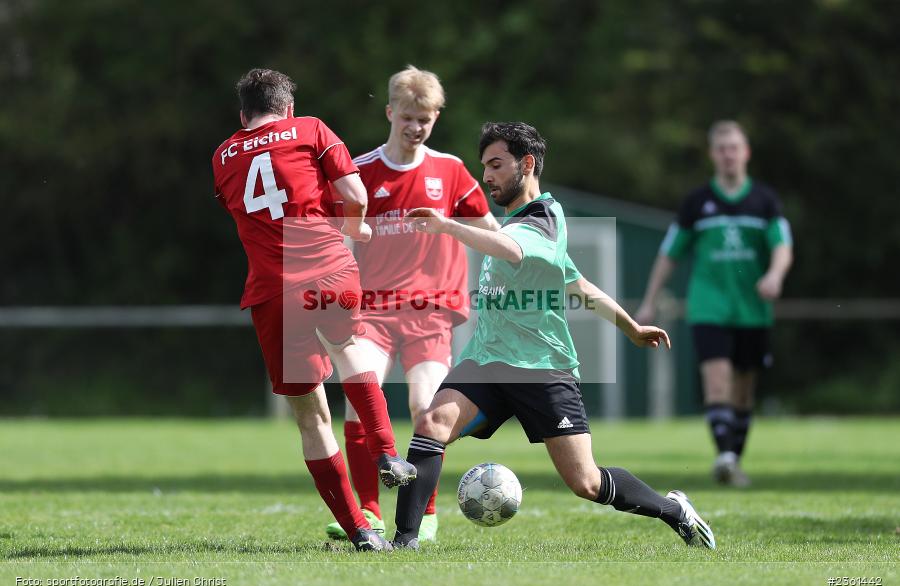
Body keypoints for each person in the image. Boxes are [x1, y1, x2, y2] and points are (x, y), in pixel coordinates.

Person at [392, 121, 716, 550]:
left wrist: (447, 226)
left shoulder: (544, 219)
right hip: (487, 360)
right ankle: (404, 542)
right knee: (431, 424)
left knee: (586, 482)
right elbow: (578, 284)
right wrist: (632, 326)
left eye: (496, 165)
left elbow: (511, 250)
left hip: (541, 368)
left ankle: (674, 510)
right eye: (483, 166)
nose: (486, 176)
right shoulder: (513, 225)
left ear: (526, 165)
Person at [211, 68, 417, 552]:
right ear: (288, 109)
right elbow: (355, 195)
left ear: (243, 114)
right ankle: (387, 453)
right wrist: (356, 229)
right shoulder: (309, 129)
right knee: (348, 349)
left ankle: (360, 531)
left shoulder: (222, 155)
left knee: (311, 418)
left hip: (272, 291)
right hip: (329, 271)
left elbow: (247, 209)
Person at [324, 66, 498, 542]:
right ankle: (371, 513)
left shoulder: (451, 170)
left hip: (431, 312)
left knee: (427, 407)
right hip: (373, 312)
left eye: (424, 118)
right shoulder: (358, 173)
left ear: (435, 117)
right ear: (389, 113)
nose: (415, 127)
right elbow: (336, 241)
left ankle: (426, 512)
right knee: (361, 402)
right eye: (406, 117)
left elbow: (491, 233)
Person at [635, 120, 793, 487]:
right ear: (712, 155)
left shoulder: (764, 200)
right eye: (721, 148)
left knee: (744, 388)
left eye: (734, 147)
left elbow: (782, 246)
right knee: (717, 379)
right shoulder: (696, 203)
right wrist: (649, 301)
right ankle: (723, 455)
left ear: (746, 152)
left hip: (752, 309)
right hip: (709, 306)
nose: (728, 155)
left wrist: (775, 275)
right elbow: (669, 254)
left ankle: (732, 458)